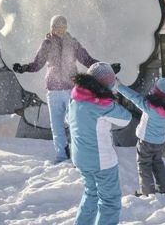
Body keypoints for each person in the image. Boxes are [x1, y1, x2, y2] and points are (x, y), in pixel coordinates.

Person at [12, 15, 100, 162]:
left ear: (66, 28)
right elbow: (37, 64)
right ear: (51, 28)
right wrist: (23, 68)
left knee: (75, 123)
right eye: (56, 27)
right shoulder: (47, 44)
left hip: (71, 89)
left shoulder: (73, 43)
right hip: (53, 90)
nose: (59, 30)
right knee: (57, 125)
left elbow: (87, 60)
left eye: (62, 27)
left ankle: (77, 155)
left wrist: (104, 68)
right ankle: (61, 155)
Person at [68, 62, 131, 225]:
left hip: (81, 158)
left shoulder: (75, 99)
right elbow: (125, 118)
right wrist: (112, 95)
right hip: (101, 161)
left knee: (91, 194)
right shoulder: (102, 105)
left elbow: (67, 119)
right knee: (110, 201)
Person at [116, 76, 165, 196]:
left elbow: (133, 97)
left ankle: (147, 191)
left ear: (156, 92)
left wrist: (118, 85)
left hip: (145, 142)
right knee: (158, 163)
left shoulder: (150, 107)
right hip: (160, 142)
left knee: (144, 165)